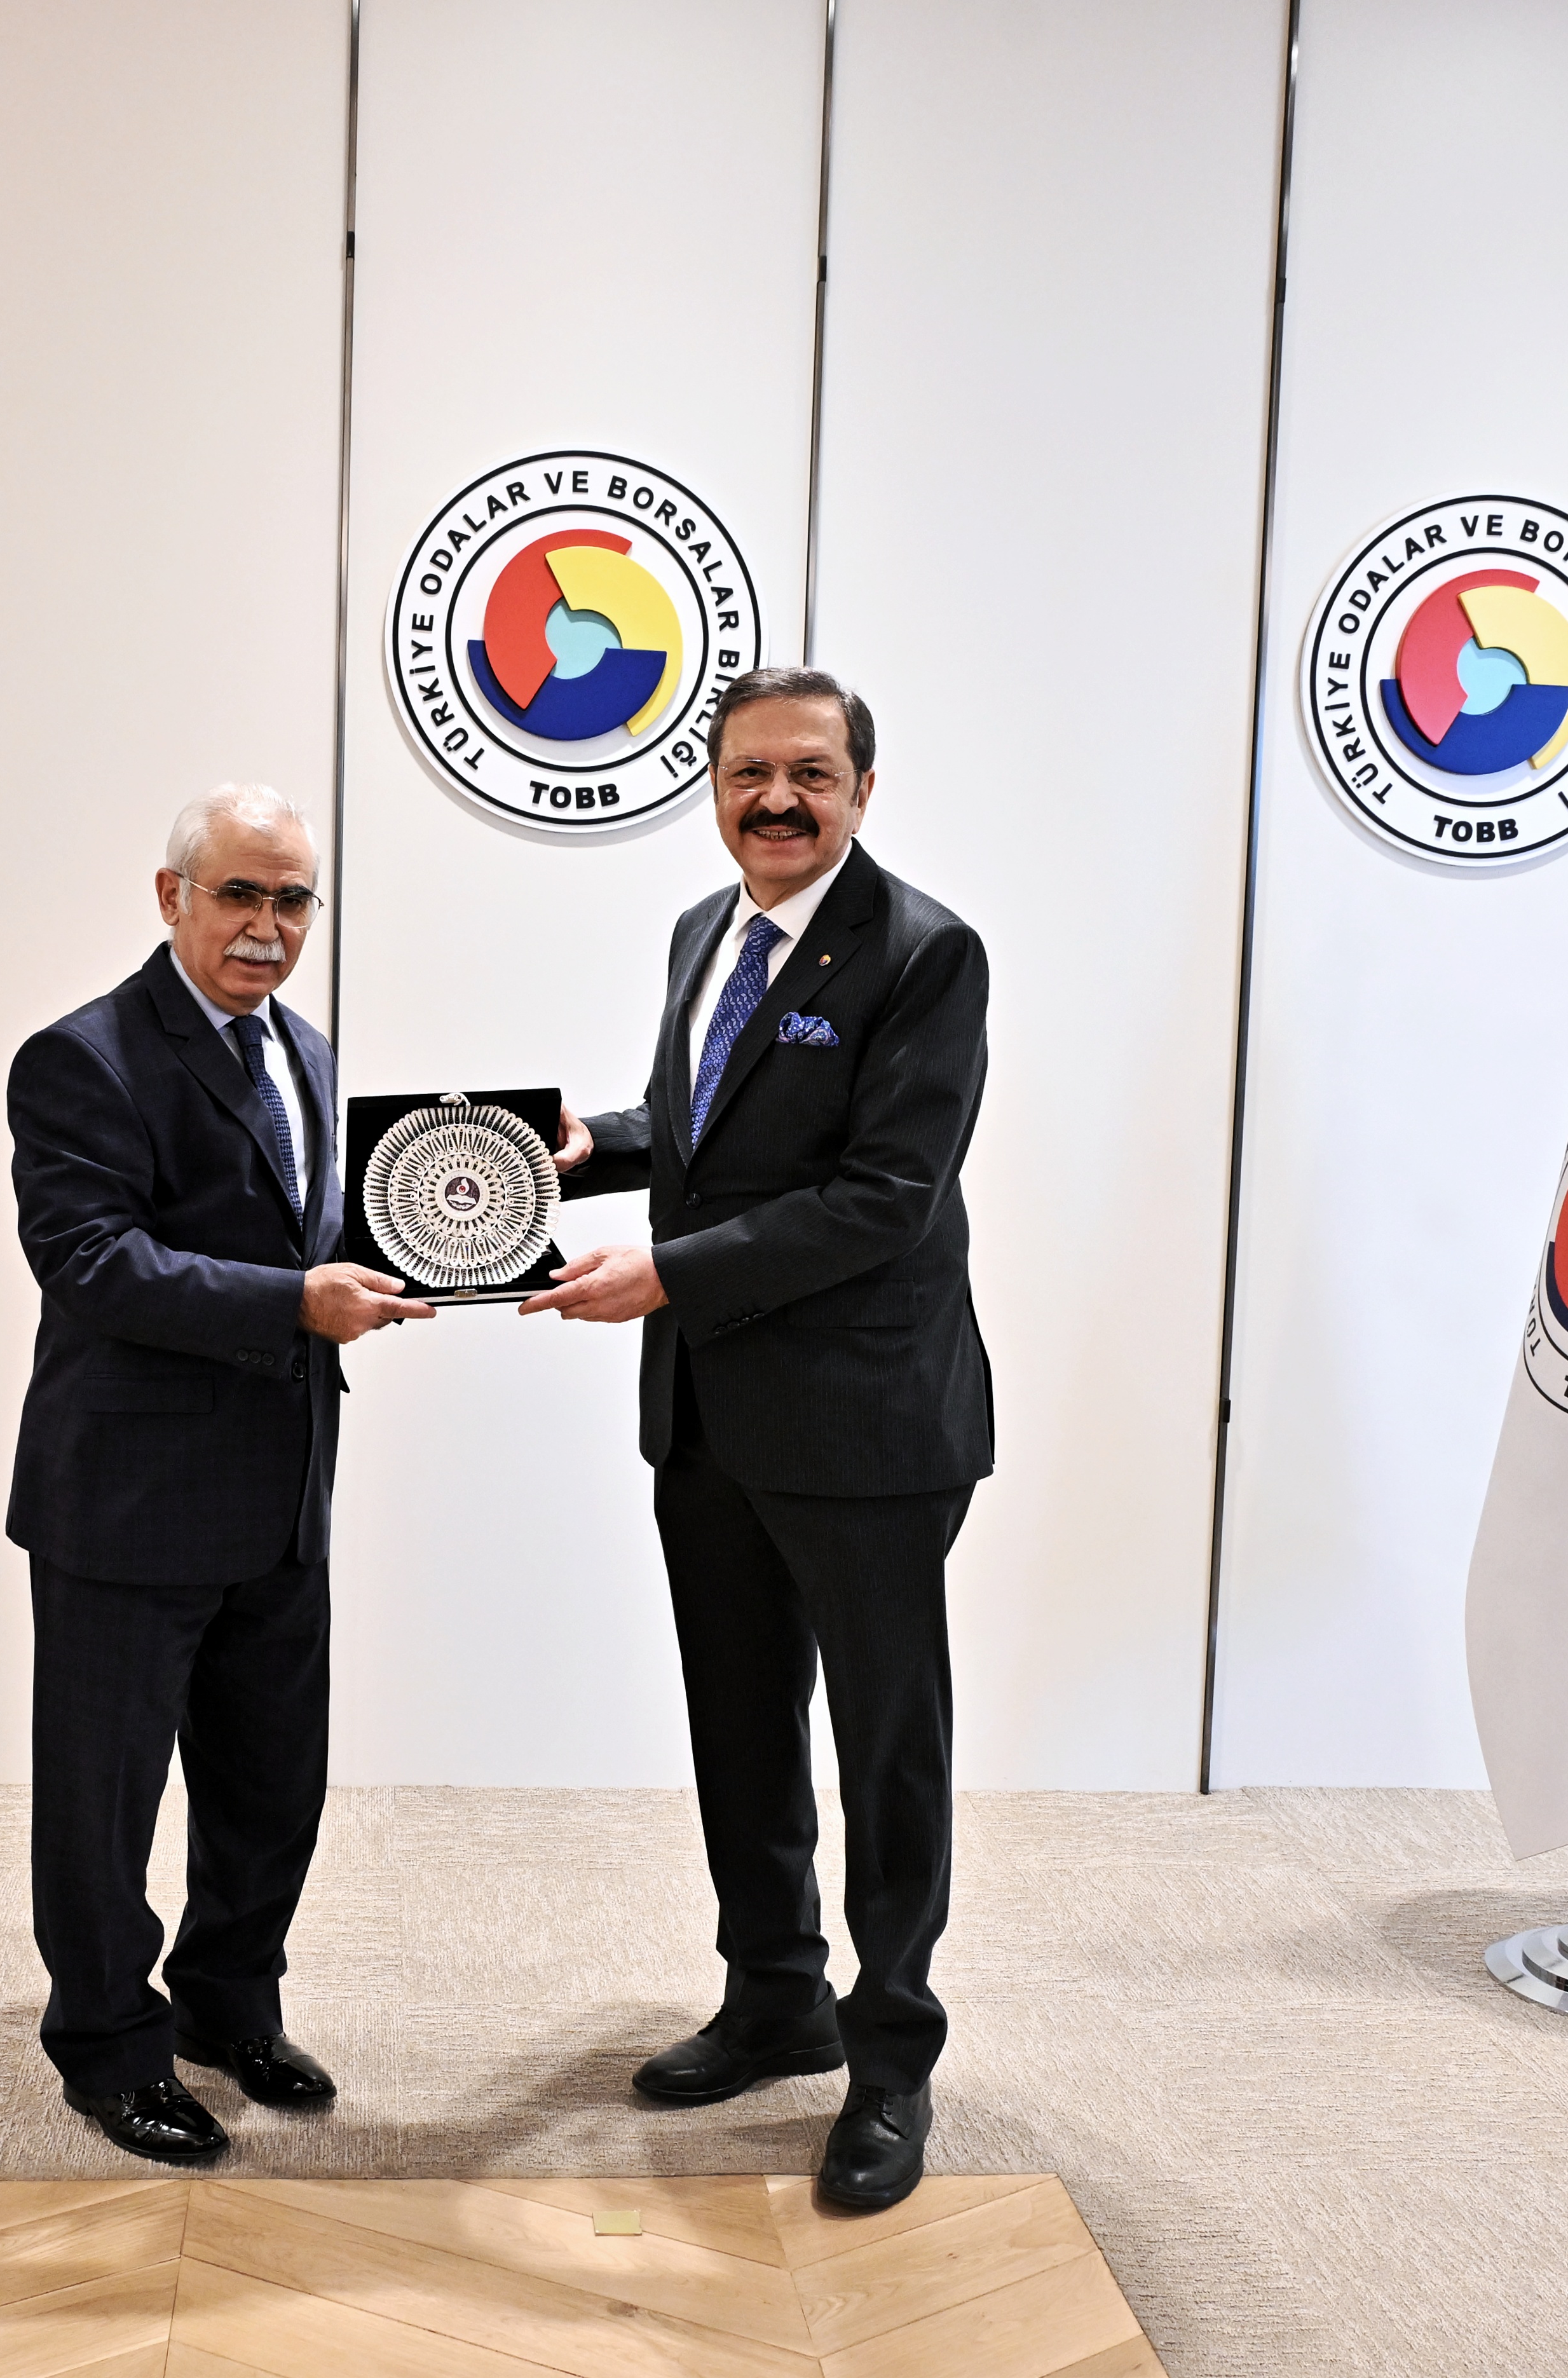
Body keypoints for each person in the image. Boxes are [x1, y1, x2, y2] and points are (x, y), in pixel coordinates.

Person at [521, 668, 993, 2210]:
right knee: (738, 1721)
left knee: (884, 1748)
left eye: (809, 773)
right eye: (747, 773)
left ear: (862, 788)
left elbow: (882, 1196)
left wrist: (667, 1271)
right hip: (710, 1414)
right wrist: (595, 1144)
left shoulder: (924, 952)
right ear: (713, 785)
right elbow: (711, 1129)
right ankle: (775, 1992)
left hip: (867, 1423)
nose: (775, 800)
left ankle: (891, 2054)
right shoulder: (702, 931)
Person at [6, 782, 432, 2163]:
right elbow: (92, 1260)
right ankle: (107, 2048)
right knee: (104, 1804)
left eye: (292, 898)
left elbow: (314, 1228)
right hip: (126, 1504)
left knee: (268, 1788)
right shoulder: (81, 1057)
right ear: (171, 896)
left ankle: (229, 2005)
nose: (267, 925)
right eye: (239, 893)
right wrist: (295, 1302)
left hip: (280, 1494)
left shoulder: (303, 1046)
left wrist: (439, 1241)